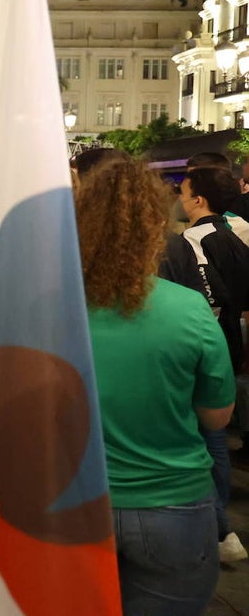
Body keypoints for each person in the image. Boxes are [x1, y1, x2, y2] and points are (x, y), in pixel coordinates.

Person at [75, 155, 233, 615]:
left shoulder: (50, 309)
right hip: (175, 507)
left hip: (74, 503)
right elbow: (216, 416)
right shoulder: (188, 309)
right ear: (155, 228)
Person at [158, 165, 249, 563]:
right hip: (228, 342)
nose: (180, 197)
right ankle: (220, 530)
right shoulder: (241, 230)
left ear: (199, 199)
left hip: (201, 342)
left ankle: (217, 530)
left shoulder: (191, 240)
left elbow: (207, 298)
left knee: (201, 436)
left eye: (185, 190)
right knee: (216, 437)